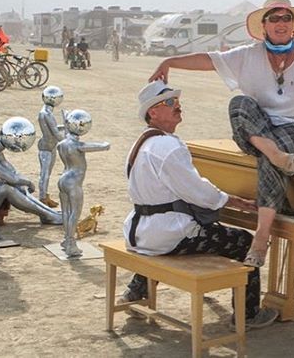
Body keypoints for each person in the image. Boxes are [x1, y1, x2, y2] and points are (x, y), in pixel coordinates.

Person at [149, 0, 294, 268]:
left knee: (276, 148)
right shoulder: (247, 55)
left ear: (293, 26)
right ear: (264, 26)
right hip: (255, 132)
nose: (281, 23)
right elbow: (209, 60)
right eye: (274, 18)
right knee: (240, 103)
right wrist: (169, 61)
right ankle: (271, 154)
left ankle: (261, 236)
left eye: (286, 18)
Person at [119, 80, 279, 330]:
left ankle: (136, 291)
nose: (178, 106)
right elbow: (199, 192)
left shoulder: (143, 141)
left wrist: (219, 201)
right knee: (245, 242)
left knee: (194, 231)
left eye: (178, 101)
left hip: (139, 231)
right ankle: (248, 315)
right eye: (170, 102)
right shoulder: (168, 146)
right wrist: (235, 201)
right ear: (153, 112)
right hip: (163, 234)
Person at [0, 121, 63, 227]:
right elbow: (12, 178)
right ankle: (48, 215)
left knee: (10, 184)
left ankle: (49, 213)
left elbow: (12, 172)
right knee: (6, 188)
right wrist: (29, 183)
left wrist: (21, 182)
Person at [57, 109, 110, 257]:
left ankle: (66, 240)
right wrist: (105, 145)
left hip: (63, 179)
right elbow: (92, 146)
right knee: (74, 213)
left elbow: (68, 133)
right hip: (74, 182)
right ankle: (71, 243)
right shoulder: (77, 146)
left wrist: (66, 118)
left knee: (66, 212)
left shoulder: (62, 143)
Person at [38, 86, 65, 208]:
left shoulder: (46, 112)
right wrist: (68, 139)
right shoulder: (46, 114)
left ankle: (45, 195)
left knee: (47, 173)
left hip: (50, 145)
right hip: (47, 147)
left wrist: (66, 127)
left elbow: (54, 129)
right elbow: (55, 132)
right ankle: (43, 198)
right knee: (45, 174)